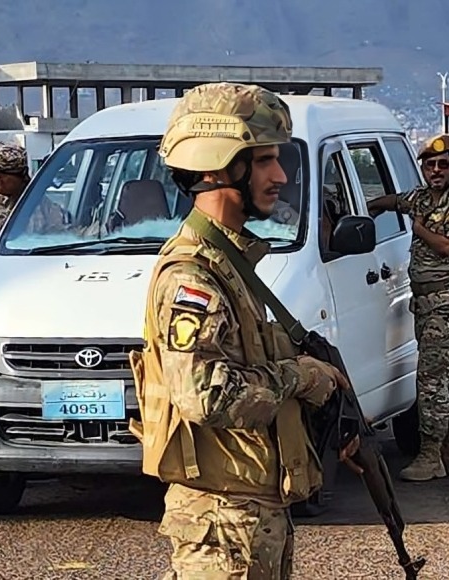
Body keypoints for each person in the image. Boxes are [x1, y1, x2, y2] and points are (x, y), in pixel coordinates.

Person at [132, 81, 360, 578]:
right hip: (223, 524)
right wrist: (298, 376)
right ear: (218, 166)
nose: (279, 176)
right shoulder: (192, 276)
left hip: (250, 514)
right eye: (263, 161)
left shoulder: (230, 262)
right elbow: (206, 397)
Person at [366, 134, 449, 482]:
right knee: (446, 375)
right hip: (430, 303)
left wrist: (419, 229)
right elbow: (396, 201)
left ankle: (431, 454)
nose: (435, 170)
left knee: (430, 379)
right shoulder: (422, 198)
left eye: (442, 164)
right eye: (429, 165)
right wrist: (368, 206)